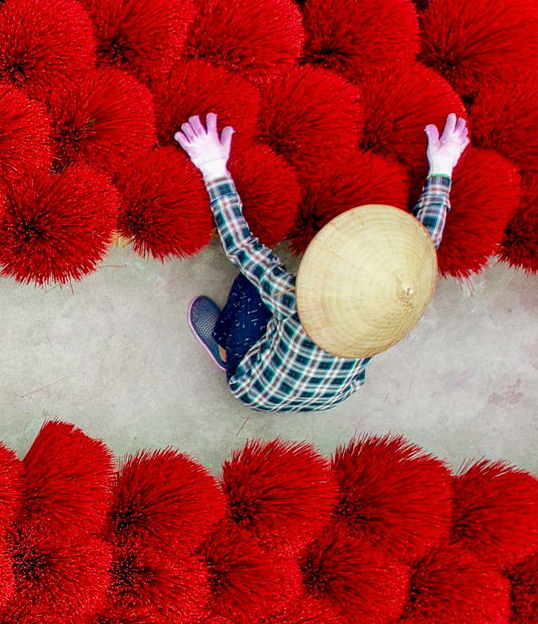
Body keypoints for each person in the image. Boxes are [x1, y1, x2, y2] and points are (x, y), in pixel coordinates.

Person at [179, 111, 469, 412]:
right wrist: (442, 169)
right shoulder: (400, 303)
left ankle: (225, 350)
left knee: (251, 283)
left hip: (255, 389)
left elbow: (242, 247)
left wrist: (212, 167)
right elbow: (424, 242)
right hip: (333, 397)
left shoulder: (295, 303)